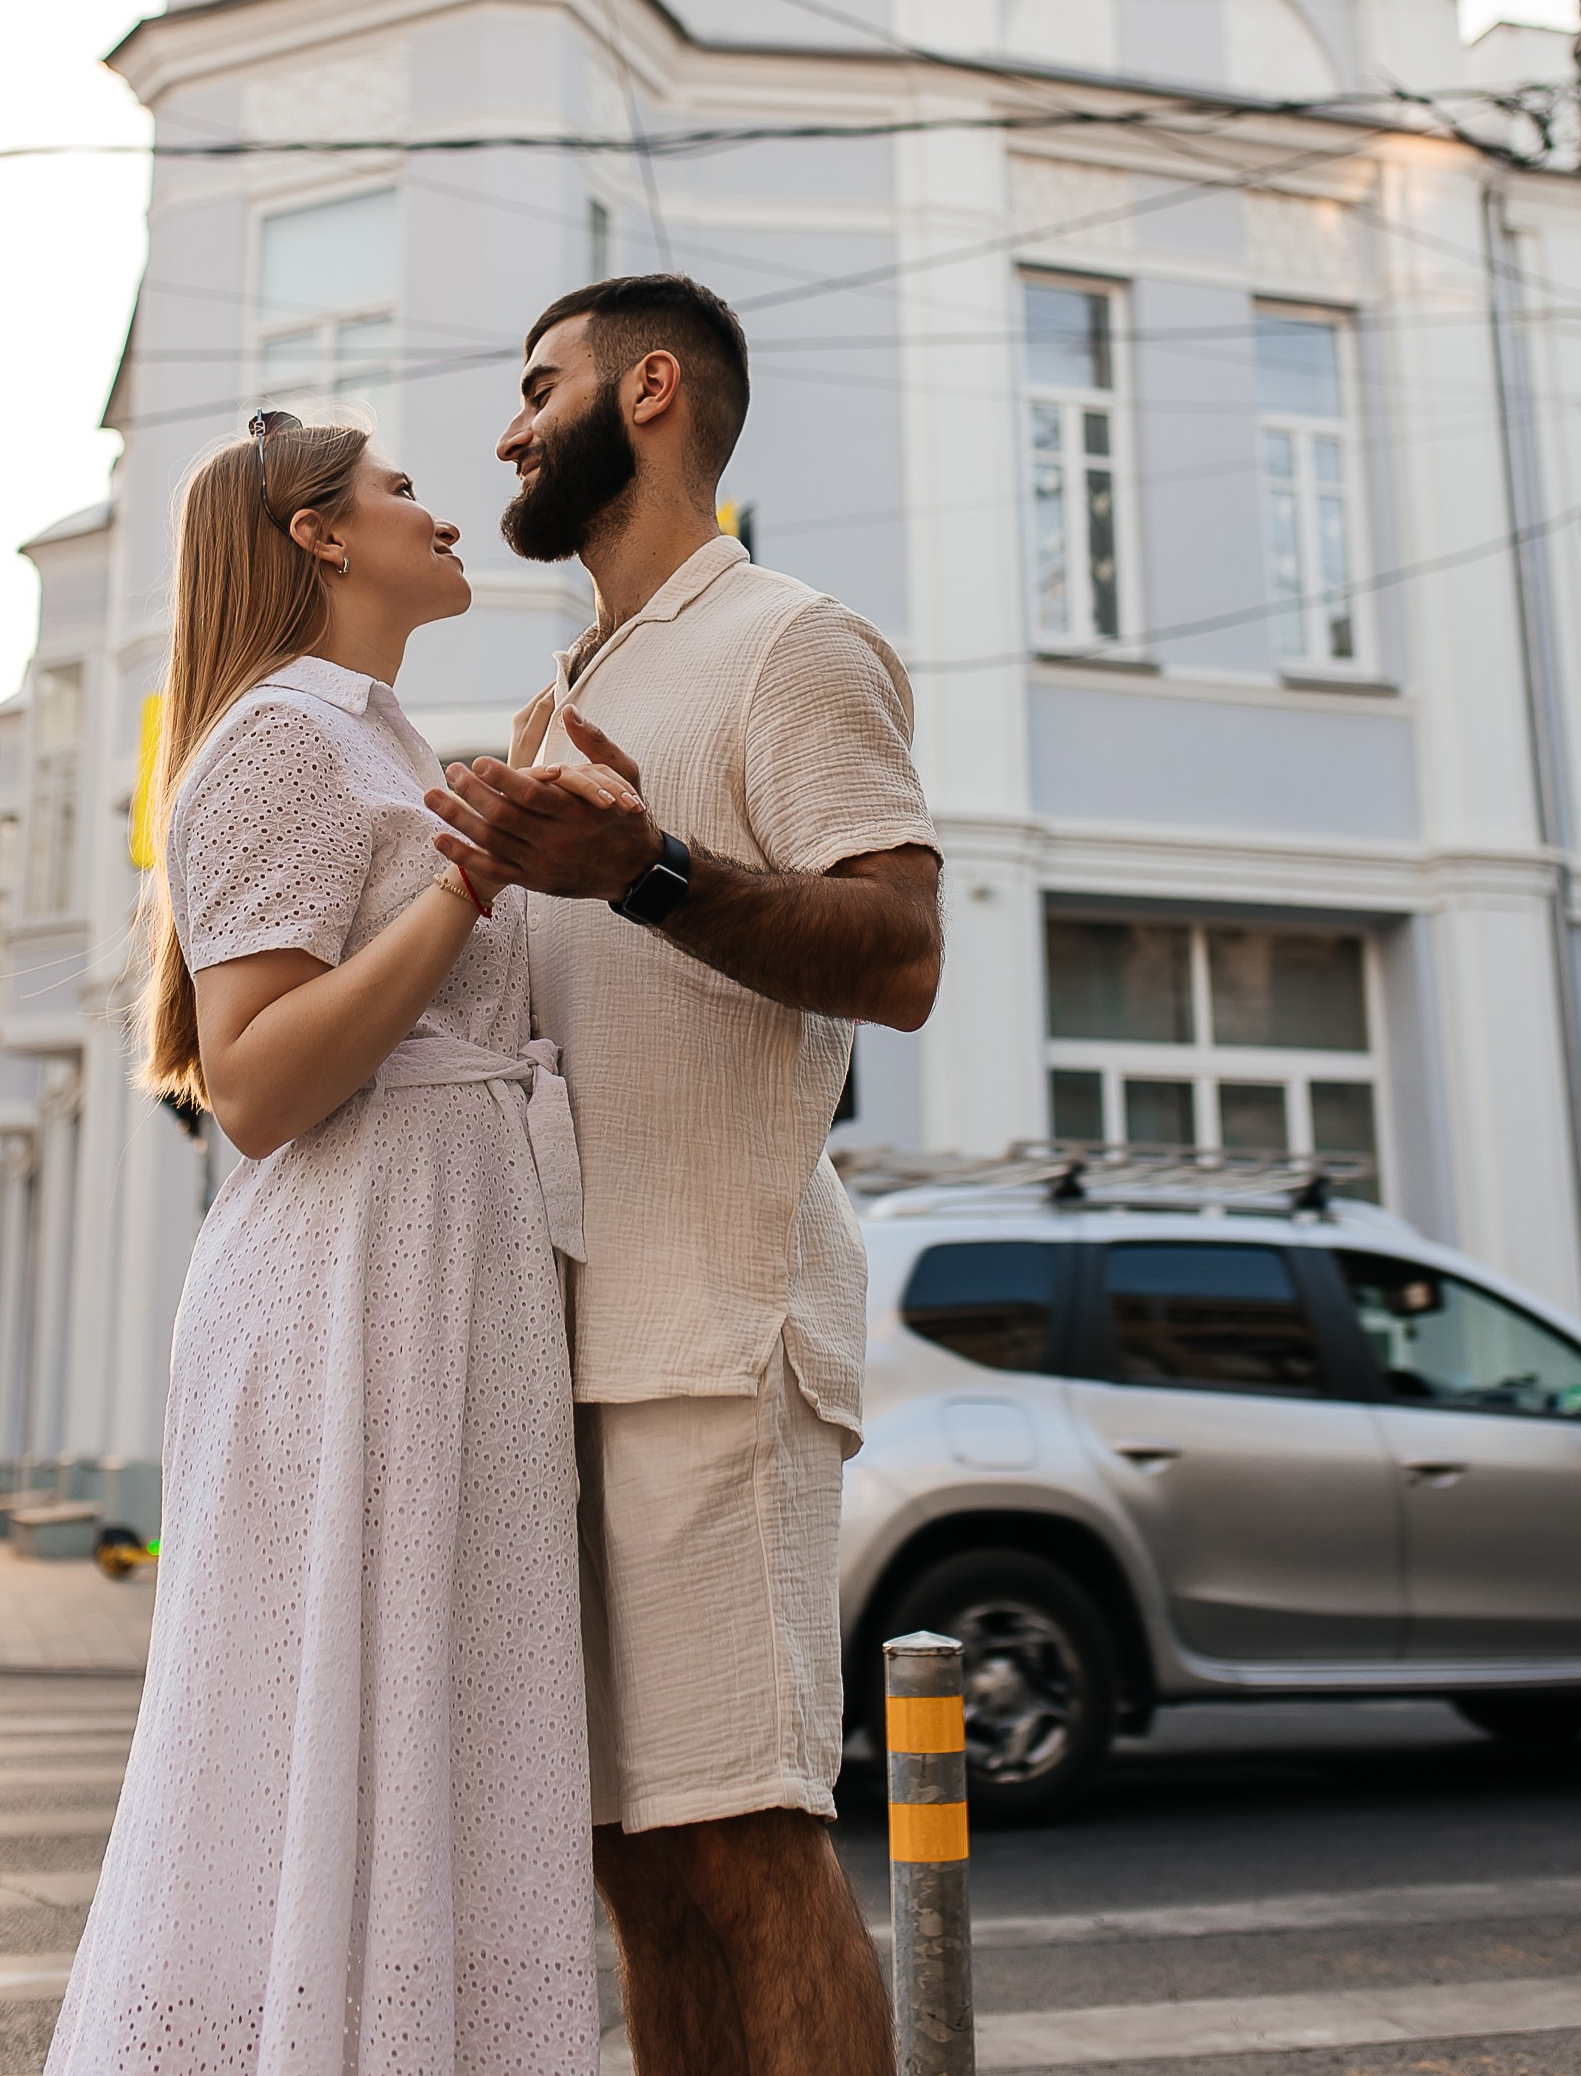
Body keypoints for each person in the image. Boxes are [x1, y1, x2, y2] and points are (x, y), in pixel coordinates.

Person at [47, 413, 630, 2076]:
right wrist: (468, 879)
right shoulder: (274, 744)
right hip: (354, 1281)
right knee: (321, 1735)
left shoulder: (382, 744)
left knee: (436, 1726)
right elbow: (255, 1081)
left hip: (452, 1265)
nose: (437, 511)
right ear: (315, 537)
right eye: (395, 491)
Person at [426, 275, 945, 2076]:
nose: (506, 430)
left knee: (745, 1845)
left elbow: (900, 953)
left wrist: (649, 873)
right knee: (634, 1869)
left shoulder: (791, 641)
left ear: (649, 392)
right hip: (558, 1358)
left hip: (712, 1345)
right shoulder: (562, 689)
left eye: (535, 383)